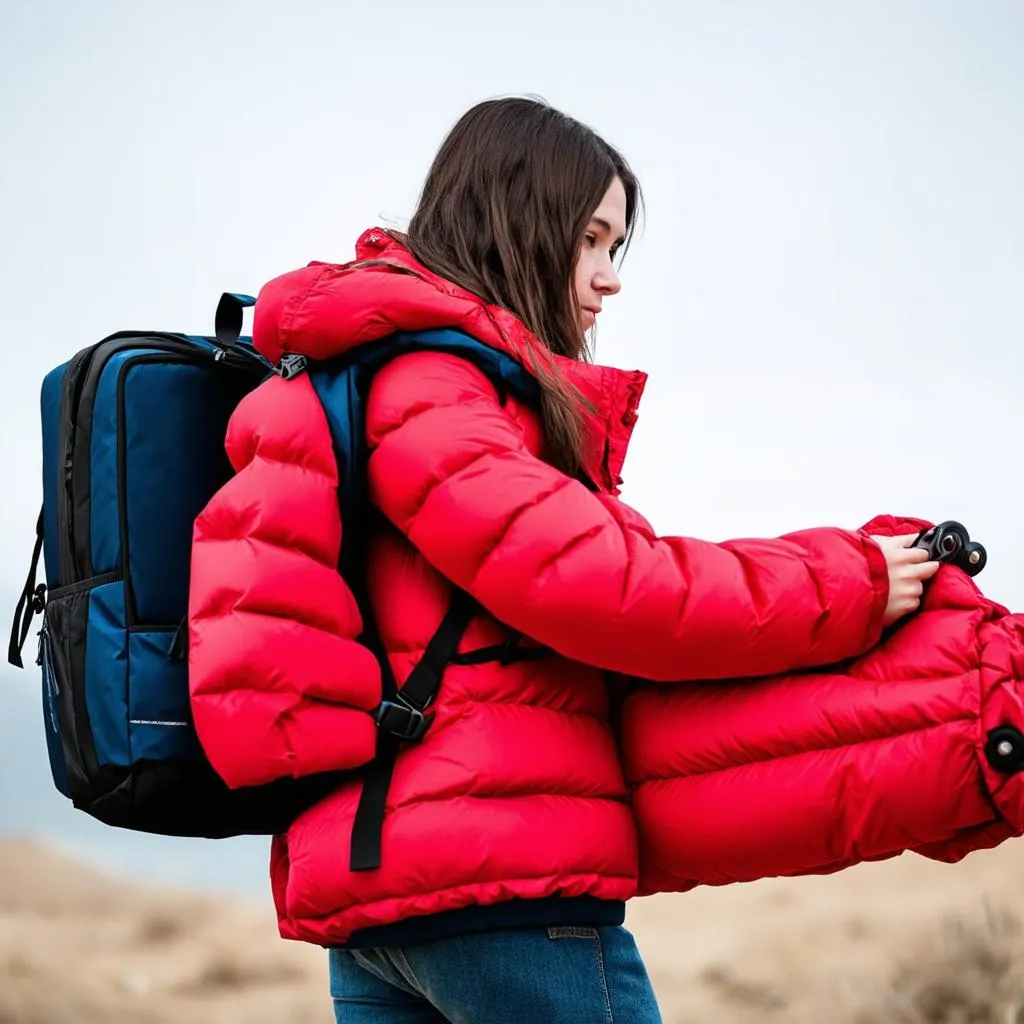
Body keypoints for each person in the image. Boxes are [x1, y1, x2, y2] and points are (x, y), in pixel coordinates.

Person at [187, 97, 939, 1024]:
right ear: (521, 220)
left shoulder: (370, 373)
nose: (609, 278)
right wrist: (851, 578)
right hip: (495, 890)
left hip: (385, 889)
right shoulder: (432, 388)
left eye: (616, 248)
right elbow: (617, 589)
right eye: (591, 240)